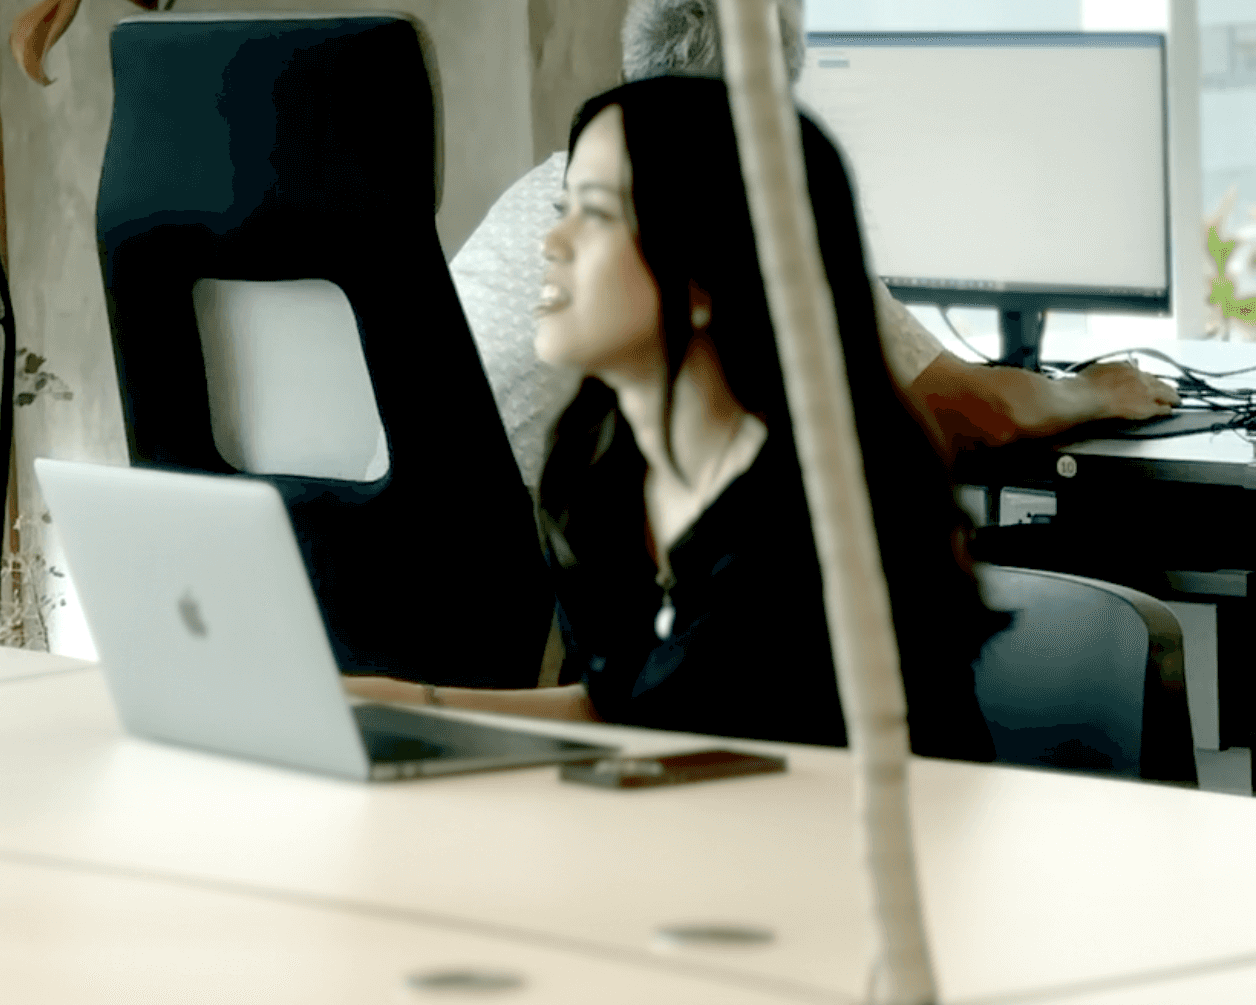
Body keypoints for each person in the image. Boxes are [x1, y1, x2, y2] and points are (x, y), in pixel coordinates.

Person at [353, 77, 1000, 757]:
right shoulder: (597, 463)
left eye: (596, 214)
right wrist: (385, 703)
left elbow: (681, 738)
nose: (553, 241)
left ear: (703, 273)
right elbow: (621, 706)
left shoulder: (812, 518)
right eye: (561, 206)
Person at [452, 0, 1173, 487]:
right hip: (537, 601)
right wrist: (1093, 391)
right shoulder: (736, 210)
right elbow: (960, 415)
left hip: (414, 574)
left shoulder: (554, 182)